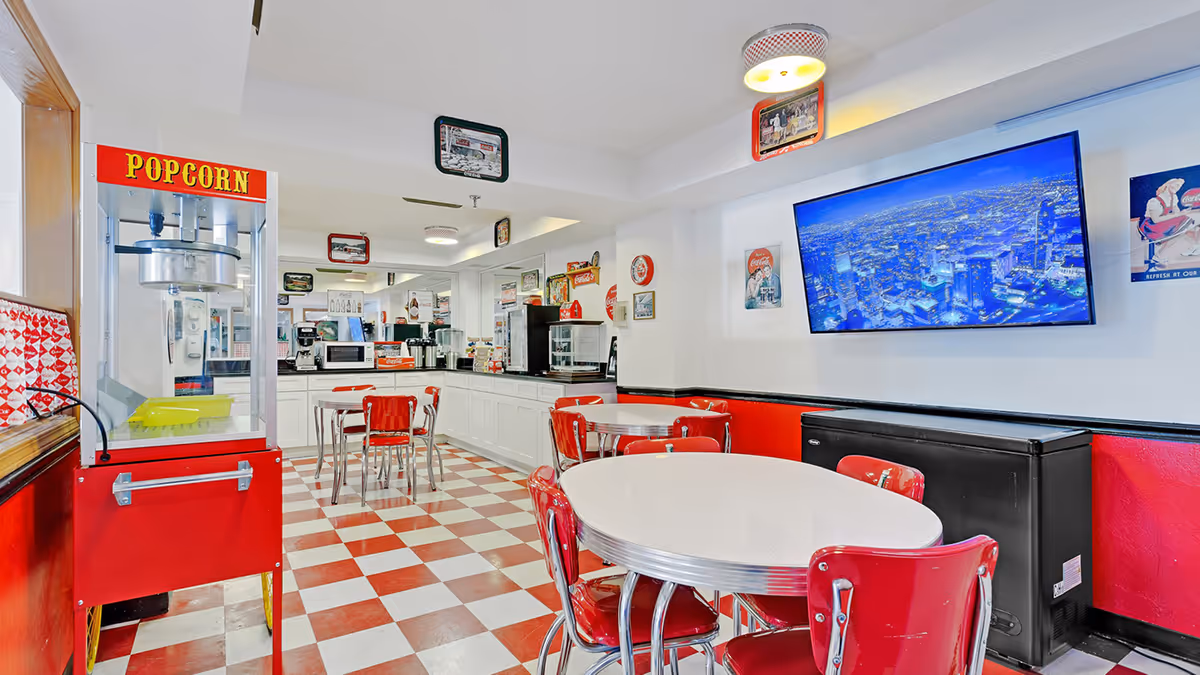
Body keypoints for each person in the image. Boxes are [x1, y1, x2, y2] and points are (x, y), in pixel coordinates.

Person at [1140, 178, 1200, 261]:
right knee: (1182, 228)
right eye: (1176, 184)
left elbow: (1177, 213)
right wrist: (1179, 214)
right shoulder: (1154, 201)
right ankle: (1159, 256)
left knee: (1190, 223)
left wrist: (1184, 213)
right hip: (1151, 226)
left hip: (1164, 223)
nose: (1178, 187)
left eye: (1179, 186)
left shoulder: (1173, 198)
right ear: (1168, 184)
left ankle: (1195, 246)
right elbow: (1156, 220)